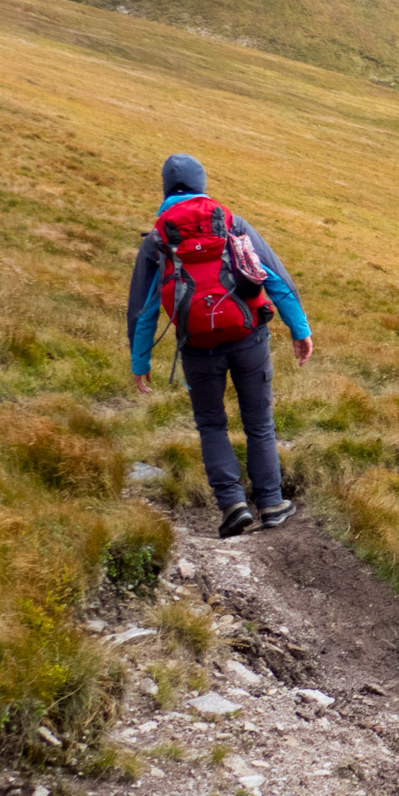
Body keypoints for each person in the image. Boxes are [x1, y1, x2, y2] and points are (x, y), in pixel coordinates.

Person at [126, 154, 313, 537]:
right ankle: (271, 503)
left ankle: (233, 506)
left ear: (166, 189)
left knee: (211, 424)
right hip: (249, 338)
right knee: (259, 422)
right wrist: (299, 328)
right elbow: (274, 277)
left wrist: (139, 358)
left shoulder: (159, 239)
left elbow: (143, 310)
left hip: (196, 346)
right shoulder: (230, 223)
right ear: (202, 183)